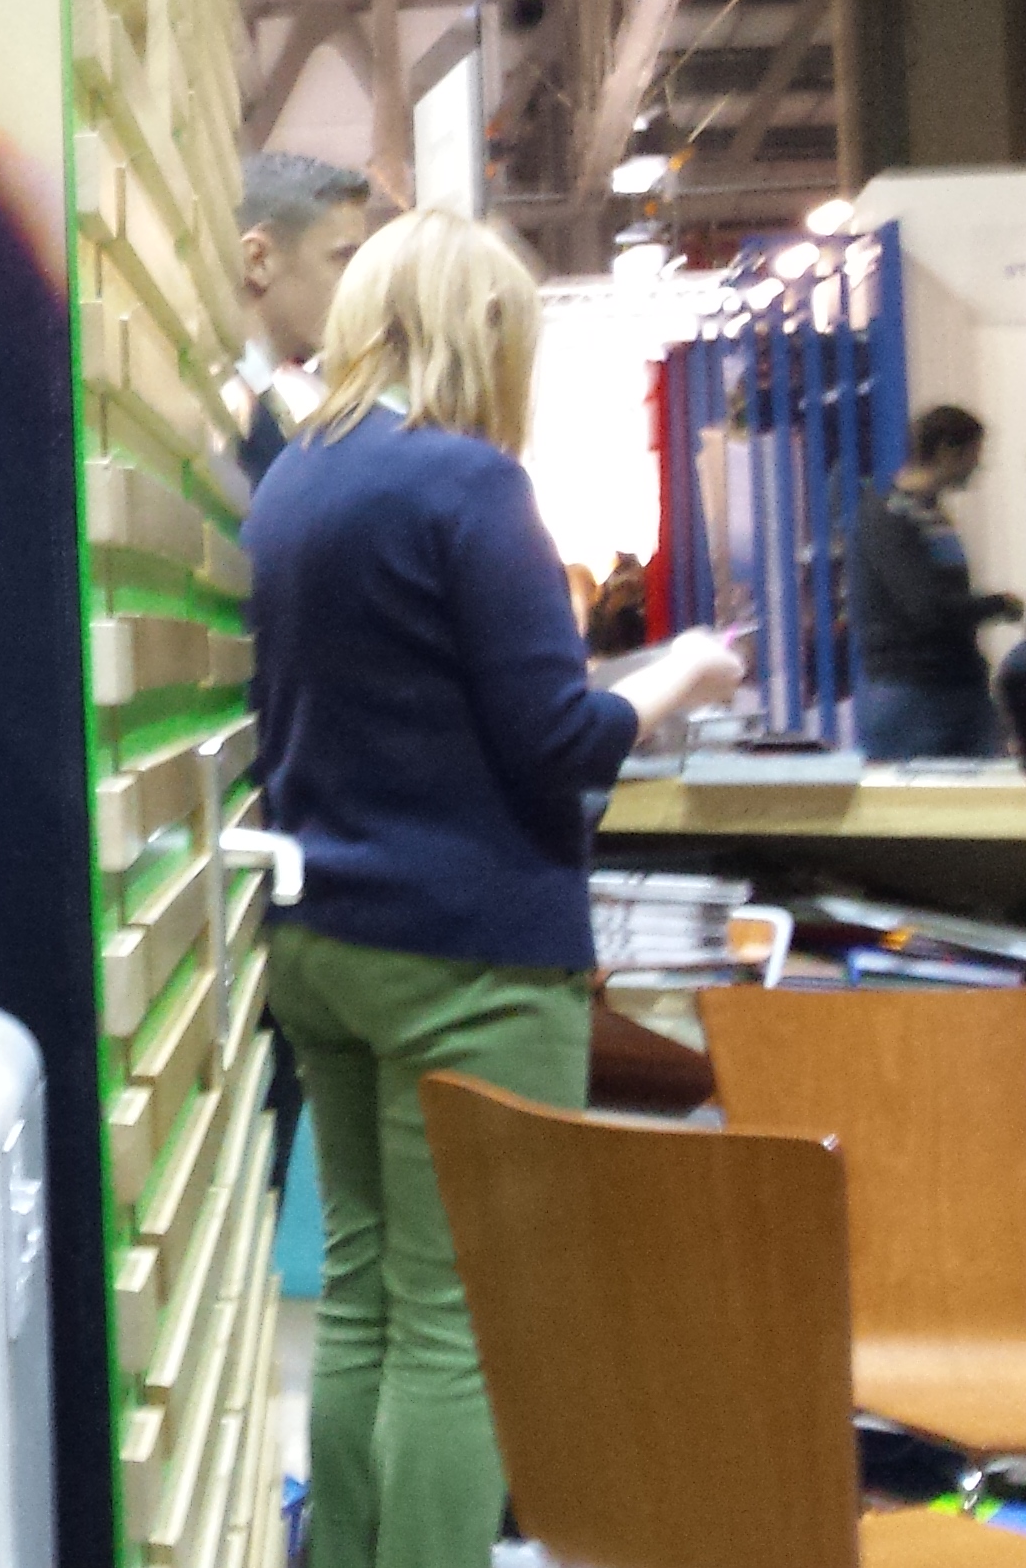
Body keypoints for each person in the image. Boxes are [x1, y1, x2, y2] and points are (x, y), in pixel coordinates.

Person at [242, 208, 744, 1568]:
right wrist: (681, 675)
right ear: (487, 332)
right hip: (470, 958)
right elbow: (556, 740)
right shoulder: (467, 485)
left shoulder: (293, 484)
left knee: (362, 1296)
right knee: (461, 1322)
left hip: (323, 940)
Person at [852, 404, 1019, 758]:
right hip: (912, 693)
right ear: (946, 450)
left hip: (959, 687)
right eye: (974, 453)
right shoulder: (890, 517)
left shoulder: (932, 515)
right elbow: (925, 607)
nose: (978, 466)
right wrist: (997, 605)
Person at [227, 152, 374, 489]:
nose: (363, 285)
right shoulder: (222, 415)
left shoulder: (277, 407)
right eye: (343, 259)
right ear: (258, 260)